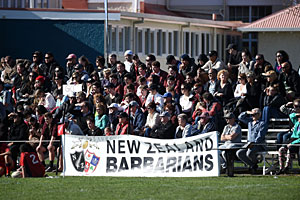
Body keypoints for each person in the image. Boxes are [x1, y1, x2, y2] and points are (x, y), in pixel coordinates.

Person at [237, 108, 267, 173]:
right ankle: (253, 165)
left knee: (249, 153)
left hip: (258, 144)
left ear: (259, 115)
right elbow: (240, 117)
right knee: (239, 153)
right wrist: (247, 112)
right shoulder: (250, 122)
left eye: (254, 114)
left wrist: (253, 143)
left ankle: (253, 166)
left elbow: (260, 136)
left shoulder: (262, 123)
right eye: (252, 114)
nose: (252, 116)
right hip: (249, 143)